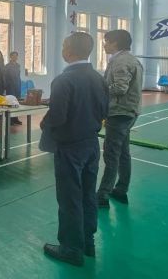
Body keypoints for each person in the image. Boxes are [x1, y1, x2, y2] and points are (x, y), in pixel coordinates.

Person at [40, 32, 108, 267]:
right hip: (91, 144)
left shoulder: (63, 80)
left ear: (68, 51)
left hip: (70, 147)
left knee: (69, 198)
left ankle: (70, 248)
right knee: (88, 194)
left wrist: (45, 123)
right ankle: (88, 242)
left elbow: (57, 117)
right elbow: (105, 111)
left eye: (63, 46)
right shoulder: (98, 78)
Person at [97, 29, 144, 208]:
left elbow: (120, 88)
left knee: (111, 155)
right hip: (129, 112)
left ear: (115, 43)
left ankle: (102, 195)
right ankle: (121, 190)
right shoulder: (131, 59)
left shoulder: (121, 61)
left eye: (107, 41)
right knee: (123, 153)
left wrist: (99, 89)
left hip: (119, 113)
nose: (104, 45)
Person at [5, 51, 22, 125]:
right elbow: (5, 77)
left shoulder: (18, 65)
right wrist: (7, 86)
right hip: (10, 87)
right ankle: (10, 120)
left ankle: (16, 119)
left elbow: (18, 76)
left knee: (16, 103)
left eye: (16, 56)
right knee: (10, 103)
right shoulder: (7, 66)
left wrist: (19, 85)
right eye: (13, 56)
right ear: (10, 57)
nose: (15, 57)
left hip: (17, 86)